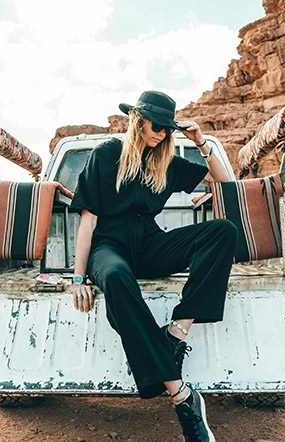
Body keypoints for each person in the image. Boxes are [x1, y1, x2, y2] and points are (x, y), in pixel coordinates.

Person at [70, 90, 237, 441]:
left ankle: (176, 333)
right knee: (116, 276)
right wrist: (78, 277)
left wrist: (201, 141)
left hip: (149, 244)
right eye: (156, 125)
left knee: (222, 231)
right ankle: (182, 397)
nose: (161, 133)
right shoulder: (107, 154)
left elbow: (225, 183)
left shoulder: (167, 163)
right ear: (138, 120)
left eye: (167, 128)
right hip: (108, 246)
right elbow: (88, 220)